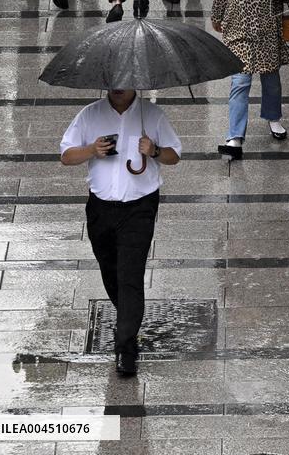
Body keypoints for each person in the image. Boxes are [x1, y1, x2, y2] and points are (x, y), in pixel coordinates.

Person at [60, 88, 181, 376]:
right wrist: (91, 150)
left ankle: (125, 346)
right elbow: (66, 155)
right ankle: (129, 313)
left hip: (139, 206)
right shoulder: (90, 114)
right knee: (110, 270)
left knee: (130, 274)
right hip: (101, 207)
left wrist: (153, 150)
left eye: (125, 80)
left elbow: (174, 155)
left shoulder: (151, 115)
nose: (118, 85)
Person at [212, 0, 289, 160]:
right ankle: (234, 137)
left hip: (267, 33)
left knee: (271, 79)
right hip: (238, 33)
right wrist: (216, 16)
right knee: (240, 83)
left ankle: (273, 117)